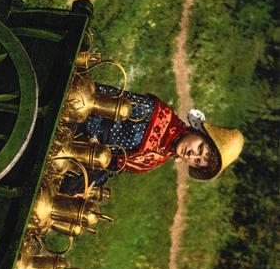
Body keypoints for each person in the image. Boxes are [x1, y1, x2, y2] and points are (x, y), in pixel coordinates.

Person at [62, 83, 244, 193]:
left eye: (196, 162)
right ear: (199, 133)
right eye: (200, 149)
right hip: (78, 119)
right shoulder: (155, 113)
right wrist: (93, 137)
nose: (191, 154)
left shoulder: (157, 159)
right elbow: (101, 95)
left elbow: (114, 166)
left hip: (81, 154)